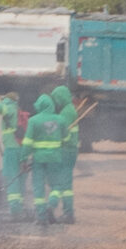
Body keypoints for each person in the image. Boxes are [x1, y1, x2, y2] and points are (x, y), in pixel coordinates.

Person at [20, 92, 65, 225]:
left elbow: (27, 143)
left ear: (39, 106)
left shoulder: (33, 121)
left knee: (38, 187)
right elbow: (66, 138)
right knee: (56, 185)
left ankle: (41, 218)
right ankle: (51, 204)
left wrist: (23, 159)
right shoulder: (60, 120)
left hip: (38, 160)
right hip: (55, 159)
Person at [46, 83, 80, 223]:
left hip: (66, 150)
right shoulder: (68, 109)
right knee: (66, 183)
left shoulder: (67, 111)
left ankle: (54, 206)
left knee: (62, 180)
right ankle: (68, 212)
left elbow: (59, 129)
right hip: (69, 150)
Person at [0, 91, 26, 218]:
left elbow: (0, 108)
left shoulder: (9, 108)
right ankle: (20, 205)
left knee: (11, 176)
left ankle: (15, 209)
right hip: (21, 148)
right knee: (21, 177)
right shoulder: (17, 109)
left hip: (11, 149)